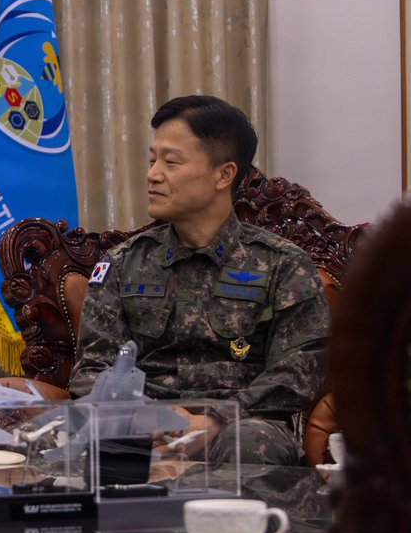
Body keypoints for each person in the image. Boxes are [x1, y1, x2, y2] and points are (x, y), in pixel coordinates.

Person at [69, 95, 330, 465]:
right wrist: (146, 420)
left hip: (242, 424)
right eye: (152, 159)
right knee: (95, 445)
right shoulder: (123, 263)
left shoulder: (283, 265)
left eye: (171, 162)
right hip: (144, 425)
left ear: (224, 175)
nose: (153, 174)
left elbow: (299, 373)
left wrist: (216, 420)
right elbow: (92, 370)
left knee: (252, 442)